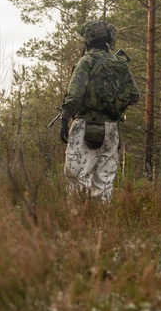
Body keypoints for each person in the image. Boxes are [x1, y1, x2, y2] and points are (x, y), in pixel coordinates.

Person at [59, 21, 140, 201]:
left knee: (77, 177)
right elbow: (135, 96)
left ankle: (78, 224)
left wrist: (64, 120)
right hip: (111, 129)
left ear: (88, 41)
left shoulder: (86, 61)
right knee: (104, 181)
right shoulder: (120, 64)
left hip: (85, 126)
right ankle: (102, 226)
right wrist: (114, 106)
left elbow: (74, 96)